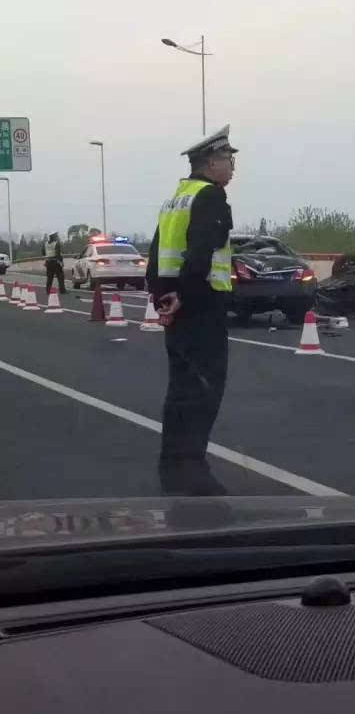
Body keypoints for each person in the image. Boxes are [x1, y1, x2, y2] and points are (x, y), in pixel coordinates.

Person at [146, 124, 237, 496]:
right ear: (211, 162)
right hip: (202, 307)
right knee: (203, 391)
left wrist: (162, 297)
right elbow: (200, 252)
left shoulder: (176, 198)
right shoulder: (211, 197)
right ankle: (193, 471)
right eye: (229, 159)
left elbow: (155, 255)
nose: (233, 167)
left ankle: (172, 468)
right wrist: (184, 294)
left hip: (178, 310)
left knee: (180, 390)